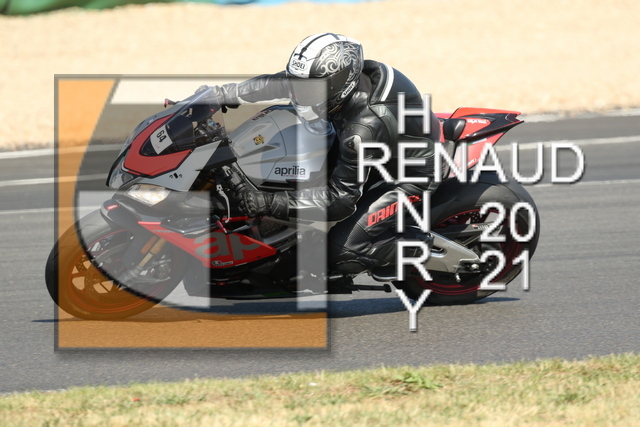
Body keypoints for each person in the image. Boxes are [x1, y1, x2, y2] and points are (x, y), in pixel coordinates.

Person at [209, 32, 440, 283]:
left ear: (337, 84)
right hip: (373, 147)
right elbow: (278, 83)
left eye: (307, 89)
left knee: (344, 251)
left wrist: (268, 203)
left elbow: (340, 201)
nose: (298, 95)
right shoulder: (329, 82)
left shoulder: (361, 129)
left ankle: (416, 249)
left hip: (406, 174)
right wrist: (222, 94)